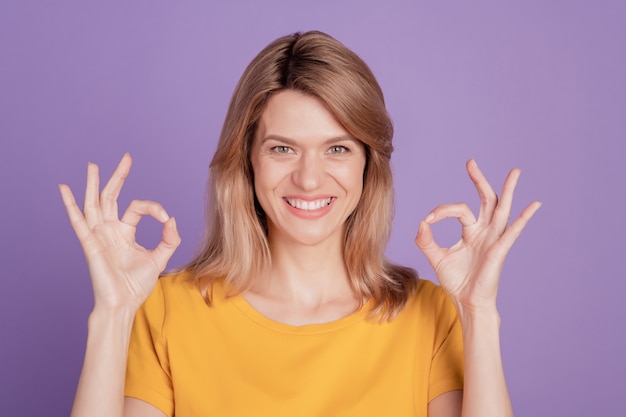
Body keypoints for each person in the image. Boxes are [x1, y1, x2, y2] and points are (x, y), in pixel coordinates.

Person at [59, 31, 540, 417]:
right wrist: (114, 313)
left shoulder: (429, 316)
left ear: (368, 166)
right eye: (282, 148)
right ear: (247, 161)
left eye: (337, 148)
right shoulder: (166, 311)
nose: (309, 178)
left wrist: (479, 314)